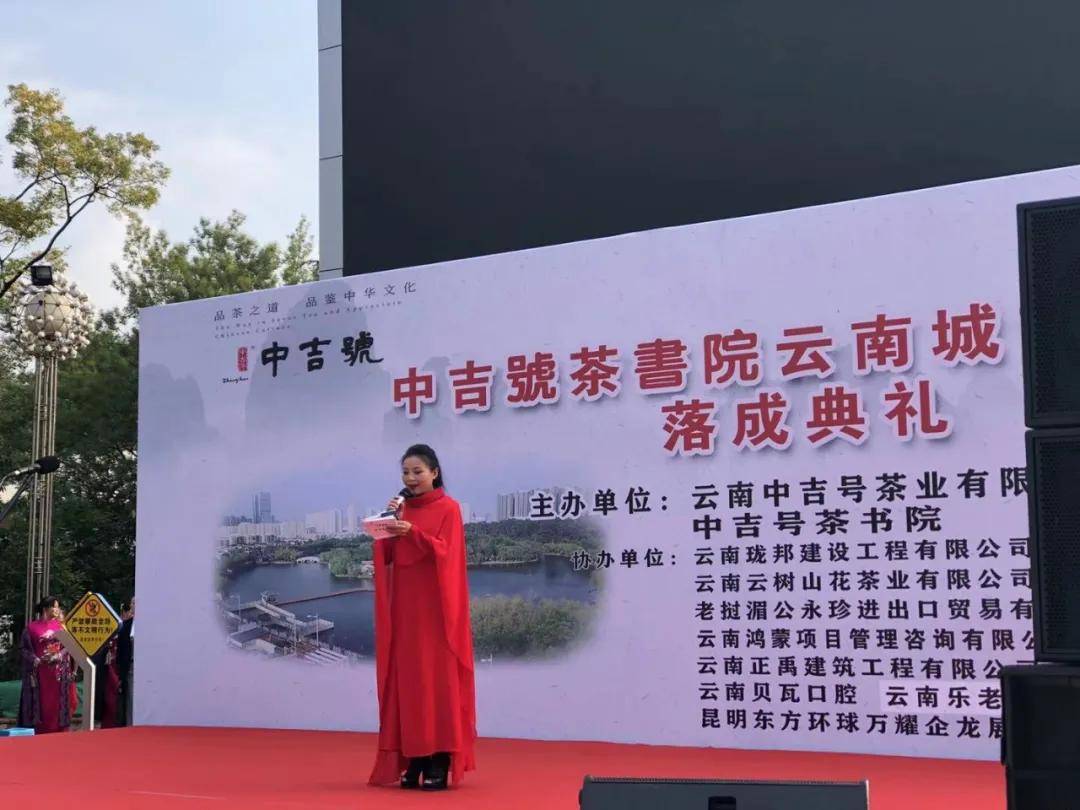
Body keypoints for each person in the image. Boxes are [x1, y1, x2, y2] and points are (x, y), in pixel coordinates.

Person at [368, 444, 477, 790]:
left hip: (437, 611)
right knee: (410, 682)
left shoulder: (449, 508)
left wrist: (412, 532)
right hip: (406, 609)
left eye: (418, 471)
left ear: (434, 473)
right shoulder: (401, 509)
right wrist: (385, 526)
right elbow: (386, 555)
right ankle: (414, 756)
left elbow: (448, 554)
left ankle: (439, 759)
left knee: (437, 681)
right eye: (406, 472)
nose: (411, 478)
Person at [18, 596, 76, 734]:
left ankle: (59, 729)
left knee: (57, 702)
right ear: (46, 609)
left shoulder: (61, 626)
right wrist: (35, 659)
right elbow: (23, 648)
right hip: (39, 673)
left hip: (58, 673)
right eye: (54, 606)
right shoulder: (31, 627)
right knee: (41, 702)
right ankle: (39, 729)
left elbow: (70, 646)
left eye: (57, 606)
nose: (57, 609)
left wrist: (59, 655)